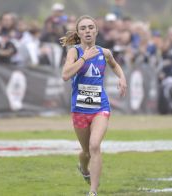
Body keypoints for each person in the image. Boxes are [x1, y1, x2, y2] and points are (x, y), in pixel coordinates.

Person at [61, 15, 127, 196]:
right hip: (80, 109)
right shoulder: (74, 52)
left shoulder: (104, 52)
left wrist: (122, 78)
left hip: (100, 107)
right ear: (78, 33)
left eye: (91, 27)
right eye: (83, 28)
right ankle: (83, 167)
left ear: (96, 31)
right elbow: (65, 75)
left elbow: (115, 65)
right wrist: (84, 59)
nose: (87, 30)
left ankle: (93, 191)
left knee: (95, 146)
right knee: (86, 152)